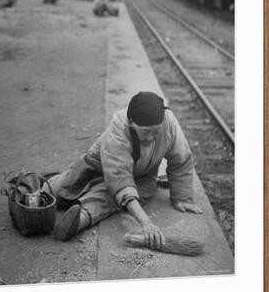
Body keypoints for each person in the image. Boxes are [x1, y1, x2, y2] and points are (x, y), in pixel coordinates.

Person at [44, 92, 202, 246]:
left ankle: (81, 217)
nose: (151, 138)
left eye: (156, 132)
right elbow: (119, 179)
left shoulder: (168, 123)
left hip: (141, 177)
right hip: (96, 166)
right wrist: (146, 223)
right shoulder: (118, 128)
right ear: (131, 123)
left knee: (111, 196)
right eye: (145, 132)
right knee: (63, 188)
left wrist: (182, 197)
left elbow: (181, 159)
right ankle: (37, 191)